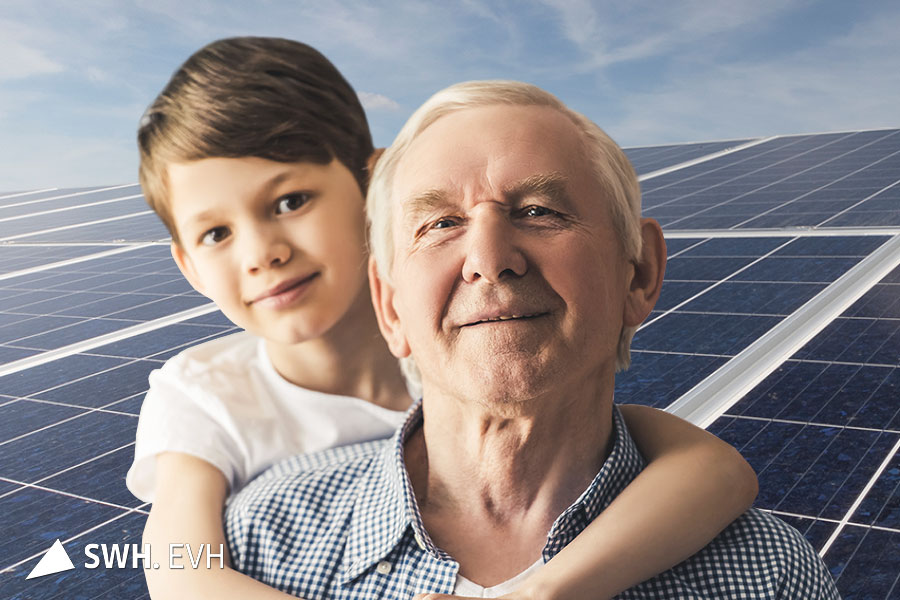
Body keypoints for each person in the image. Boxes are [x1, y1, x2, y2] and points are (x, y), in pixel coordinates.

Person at [128, 37, 758, 600]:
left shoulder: (471, 351)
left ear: (370, 189)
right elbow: (181, 570)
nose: (262, 252)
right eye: (215, 233)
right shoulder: (206, 395)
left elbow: (715, 470)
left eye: (291, 201)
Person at [225, 79, 841, 599]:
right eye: (441, 224)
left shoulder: (766, 575)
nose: (489, 260)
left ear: (640, 273)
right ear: (388, 304)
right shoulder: (260, 538)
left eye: (540, 211)